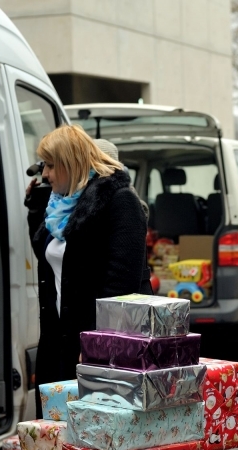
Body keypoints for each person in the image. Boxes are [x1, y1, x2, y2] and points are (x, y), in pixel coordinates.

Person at [24, 125, 152, 417]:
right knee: (60, 435)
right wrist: (34, 209)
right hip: (59, 341)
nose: (45, 174)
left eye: (52, 165)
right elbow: (54, 260)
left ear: (73, 163)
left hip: (99, 349)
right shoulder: (61, 206)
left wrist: (99, 346)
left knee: (97, 441)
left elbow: (123, 285)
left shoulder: (119, 200)